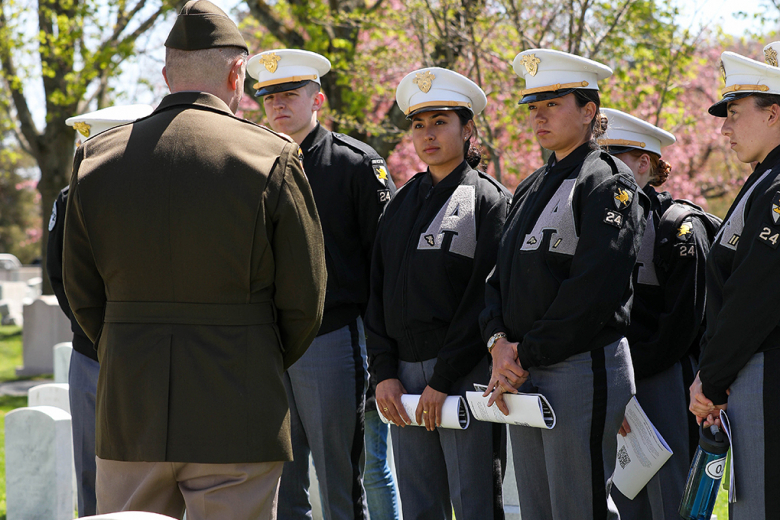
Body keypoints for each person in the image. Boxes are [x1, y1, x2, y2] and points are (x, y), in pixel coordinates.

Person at [62, 2, 326, 518]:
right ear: (236, 72)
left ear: (166, 75)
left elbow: (80, 293)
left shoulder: (96, 159)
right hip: (239, 403)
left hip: (131, 409)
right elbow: (304, 301)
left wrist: (130, 343)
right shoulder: (270, 156)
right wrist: (254, 352)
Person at [479, 49, 649, 520]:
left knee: (579, 506)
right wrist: (497, 343)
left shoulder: (608, 181)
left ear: (589, 111)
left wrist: (523, 354)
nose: (538, 117)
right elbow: (498, 277)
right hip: (520, 367)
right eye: (534, 107)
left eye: (552, 104)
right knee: (537, 508)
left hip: (579, 366)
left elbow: (594, 289)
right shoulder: (532, 183)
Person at [247, 49, 396, 520]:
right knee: (282, 482)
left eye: (290, 94)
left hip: (333, 336)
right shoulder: (252, 163)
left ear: (318, 100)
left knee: (340, 479)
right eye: (268, 97)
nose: (277, 106)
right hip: (270, 342)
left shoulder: (354, 164)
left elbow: (384, 265)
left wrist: (381, 349)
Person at [366, 67, 509, 520]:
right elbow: (377, 293)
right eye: (418, 124)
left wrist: (443, 380)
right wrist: (384, 373)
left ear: (468, 129)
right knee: (420, 506)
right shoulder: (400, 203)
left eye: (441, 122)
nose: (427, 134)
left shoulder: (489, 200)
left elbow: (483, 302)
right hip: (403, 382)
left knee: (475, 504)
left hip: (465, 376)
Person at [598, 108, 708, 519]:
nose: (602, 170)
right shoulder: (599, 222)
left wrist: (625, 384)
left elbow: (680, 328)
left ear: (644, 163)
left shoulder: (678, 226)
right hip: (613, 379)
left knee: (670, 502)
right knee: (624, 504)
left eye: (614, 159)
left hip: (662, 381)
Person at [47, 103, 153, 517]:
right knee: (91, 472)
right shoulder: (70, 197)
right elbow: (60, 276)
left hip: (146, 351)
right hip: (90, 354)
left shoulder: (158, 196)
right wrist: (94, 332)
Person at [690, 45, 780, 519]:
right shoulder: (762, 179)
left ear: (774, 114)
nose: (724, 128)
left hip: (764, 370)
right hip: (749, 369)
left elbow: (756, 294)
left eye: (735, 113)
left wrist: (711, 378)